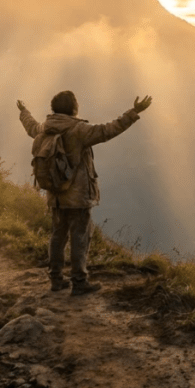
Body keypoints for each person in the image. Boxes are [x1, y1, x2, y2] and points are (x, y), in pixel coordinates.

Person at [17, 91, 152, 296]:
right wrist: (134, 112)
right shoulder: (79, 130)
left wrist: (24, 111)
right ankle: (79, 282)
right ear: (73, 108)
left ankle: (56, 279)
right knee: (80, 237)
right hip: (77, 196)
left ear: (54, 109)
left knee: (57, 236)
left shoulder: (44, 129)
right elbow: (108, 130)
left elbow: (30, 126)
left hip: (55, 195)